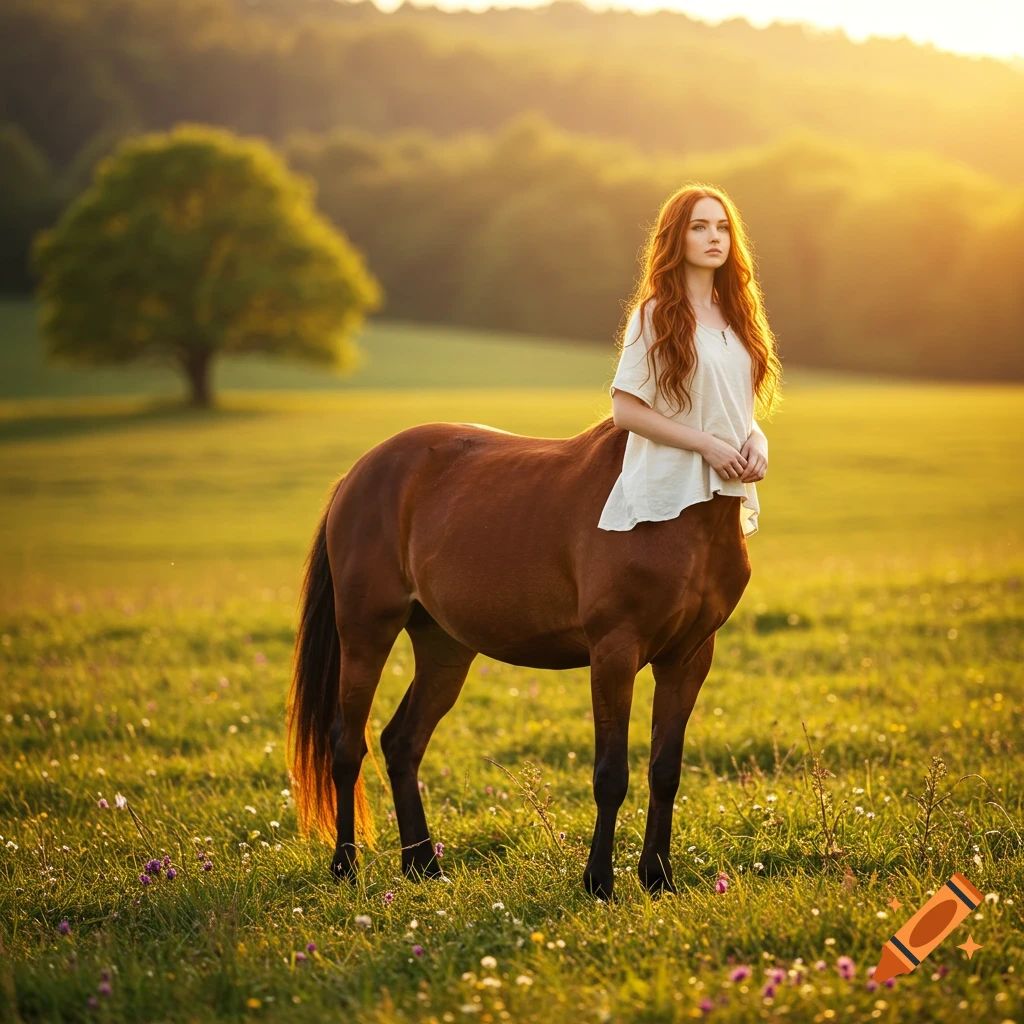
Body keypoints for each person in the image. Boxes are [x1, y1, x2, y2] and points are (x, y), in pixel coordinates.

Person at [598, 185, 783, 536]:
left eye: (722, 227)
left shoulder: (740, 315)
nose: (714, 236)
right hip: (670, 497)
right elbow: (626, 411)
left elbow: (724, 403)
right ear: (676, 238)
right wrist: (706, 444)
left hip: (725, 491)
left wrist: (758, 440)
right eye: (699, 227)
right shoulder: (655, 315)